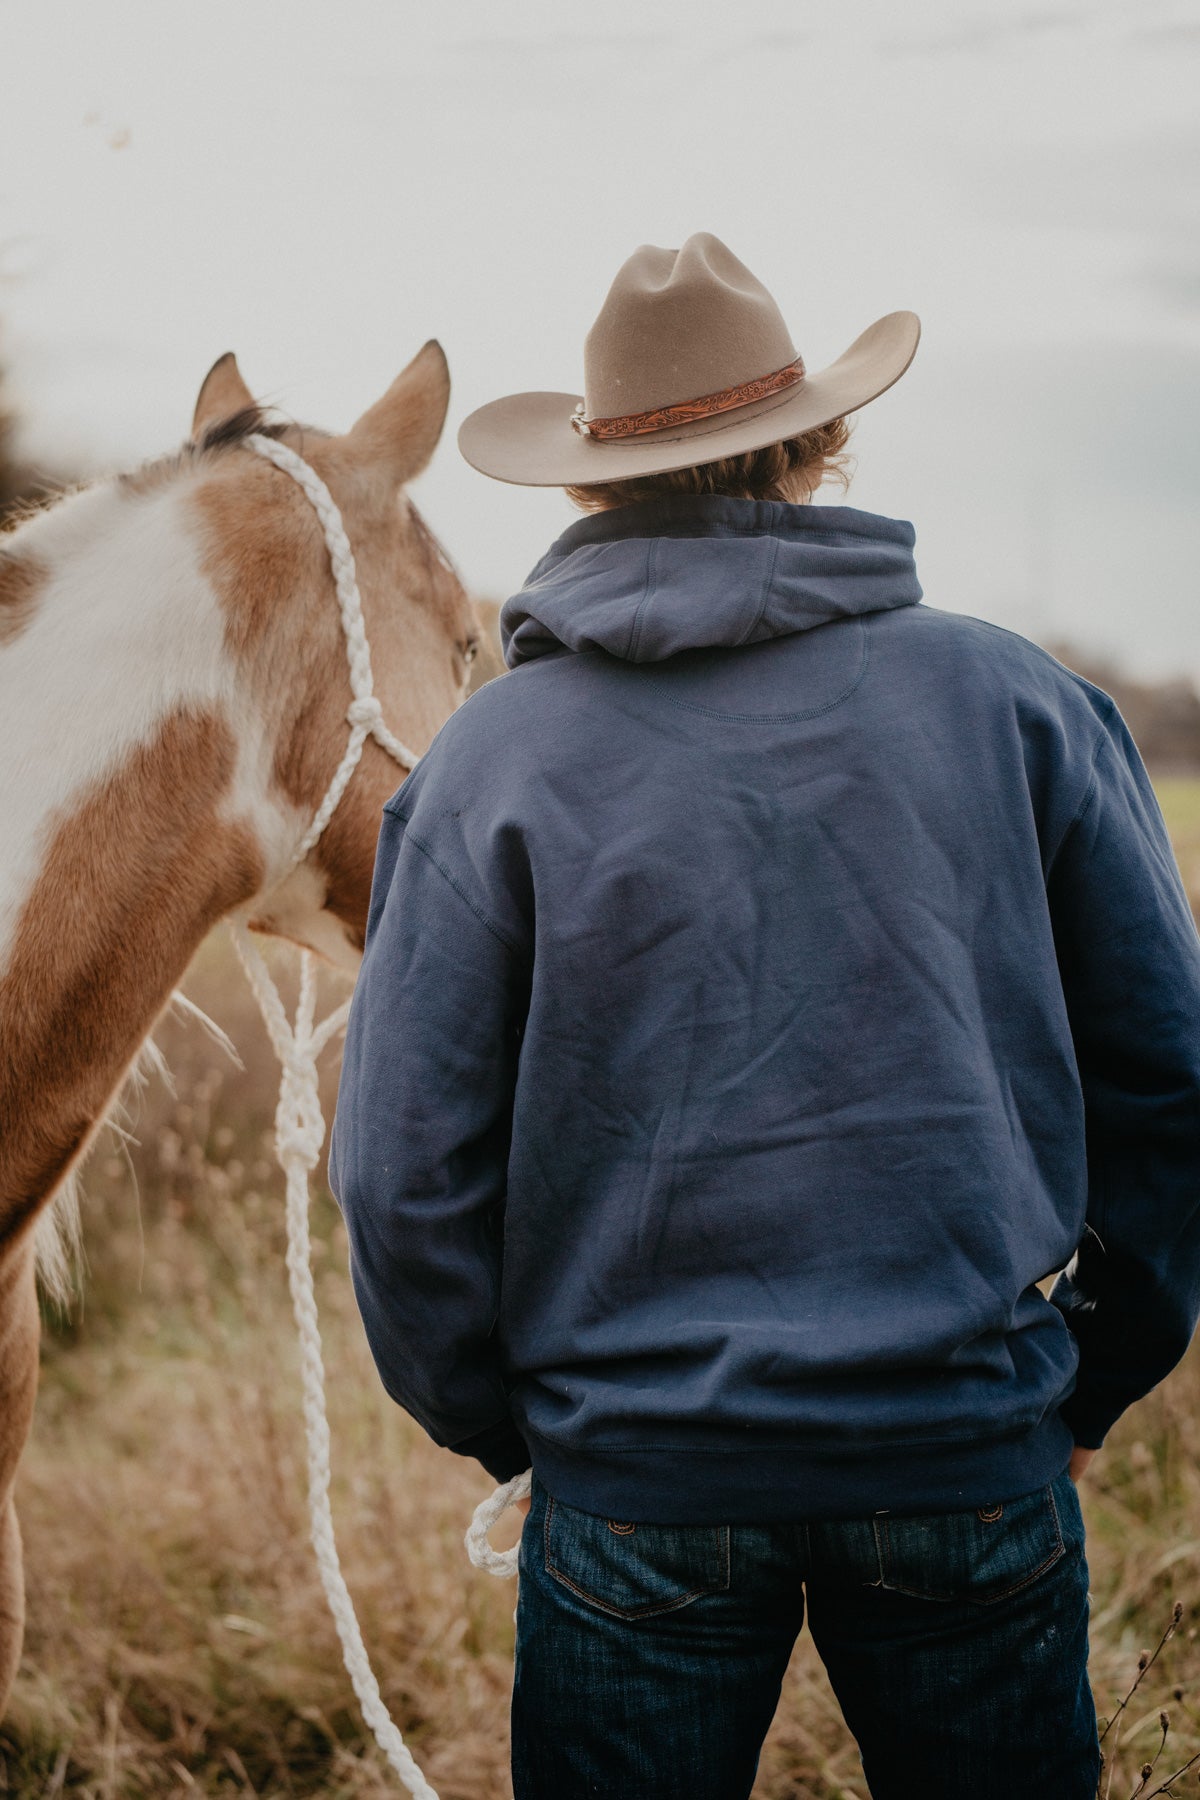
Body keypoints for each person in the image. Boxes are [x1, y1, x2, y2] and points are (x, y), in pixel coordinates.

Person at [328, 233, 1200, 1799]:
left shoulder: (492, 761)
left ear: (590, 483)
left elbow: (399, 1173)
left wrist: (521, 1430)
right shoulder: (1018, 703)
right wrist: (1093, 1371)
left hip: (635, 1488)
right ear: (817, 444)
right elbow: (1174, 1083)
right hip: (971, 1452)